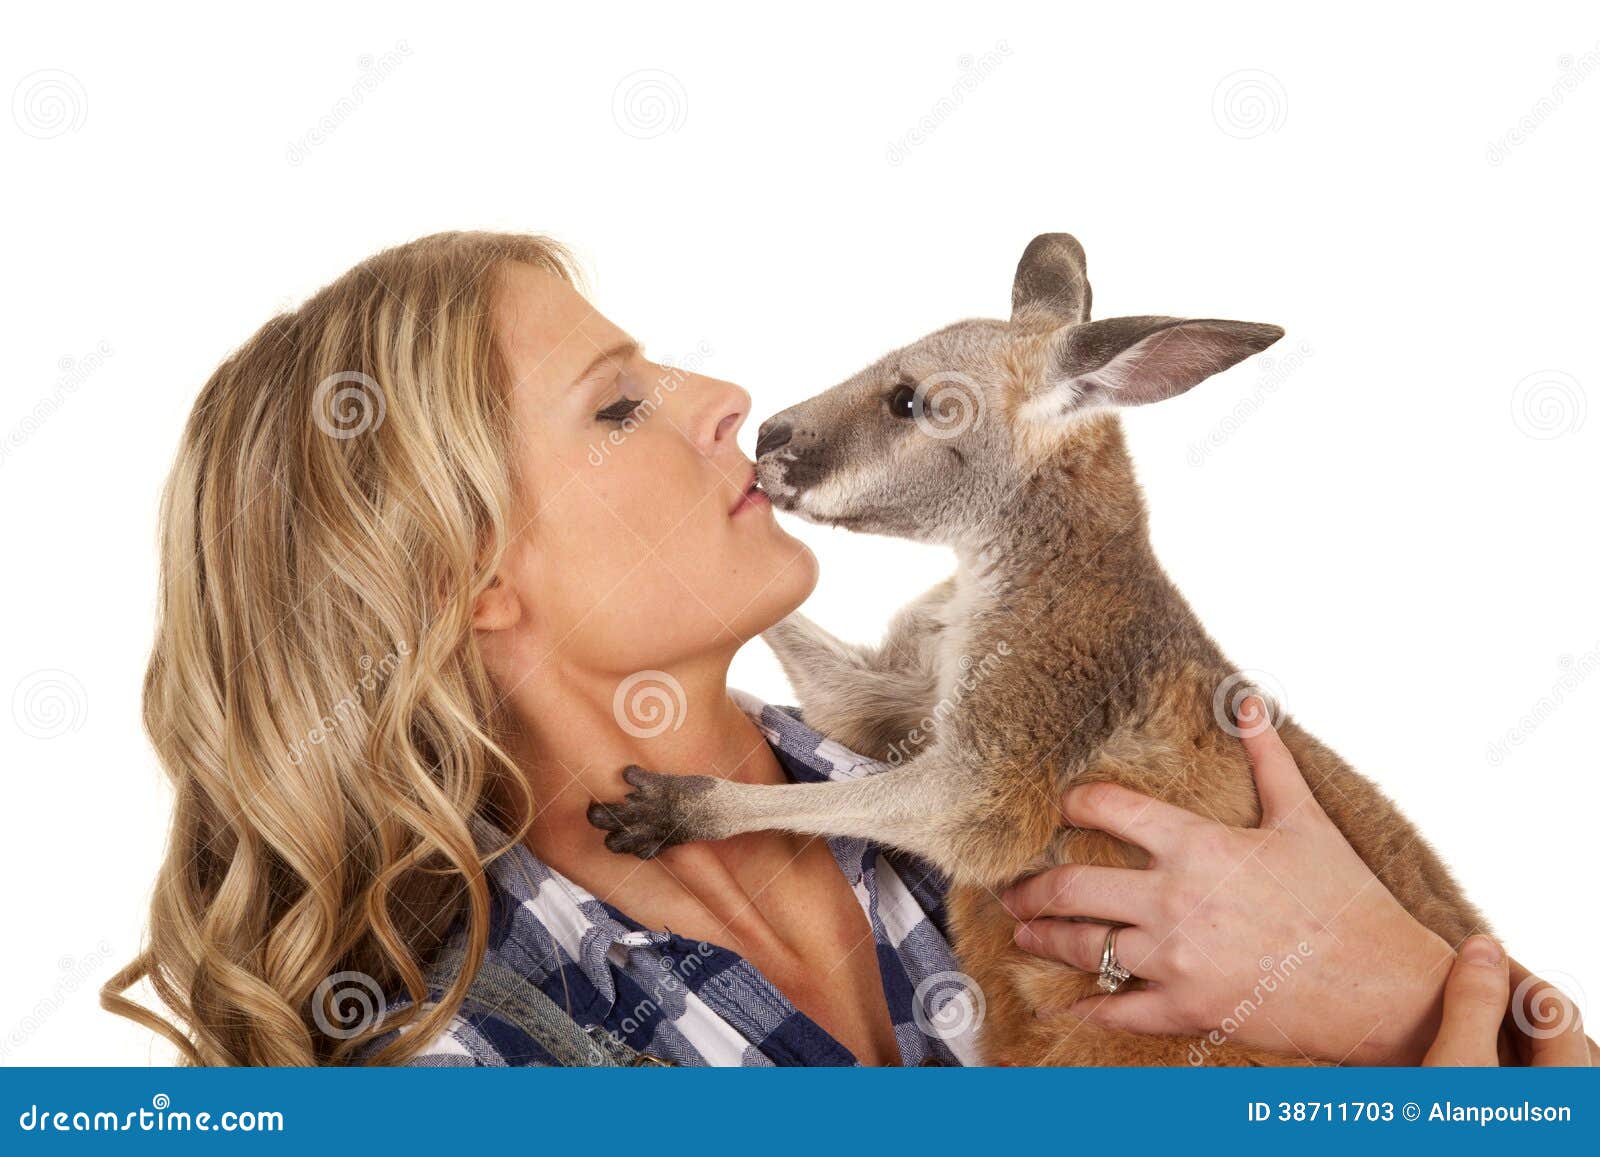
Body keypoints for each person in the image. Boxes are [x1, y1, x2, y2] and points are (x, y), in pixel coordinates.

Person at [103, 232, 1590, 1067]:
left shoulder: (995, 764)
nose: (728, 395)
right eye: (618, 406)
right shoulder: (459, 1053)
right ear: (466, 576)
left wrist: (1394, 985)